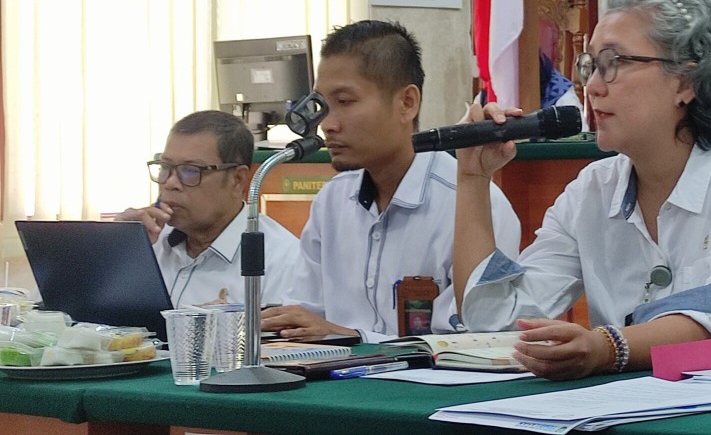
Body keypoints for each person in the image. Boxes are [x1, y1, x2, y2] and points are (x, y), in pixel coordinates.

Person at [452, 0, 711, 380]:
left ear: (685, 82)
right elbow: (496, 321)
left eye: (613, 63)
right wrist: (472, 177)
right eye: (590, 65)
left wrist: (607, 348)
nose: (592, 86)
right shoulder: (591, 190)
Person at [263, 20, 520, 341]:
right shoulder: (332, 200)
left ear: (407, 103)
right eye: (322, 105)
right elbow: (304, 314)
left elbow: (473, 342)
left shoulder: (474, 203)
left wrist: (351, 336)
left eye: (345, 102)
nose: (327, 124)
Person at [117, 110, 299, 308]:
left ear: (237, 180)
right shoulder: (149, 240)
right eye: (165, 167)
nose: (170, 183)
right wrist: (116, 249)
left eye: (190, 170)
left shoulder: (284, 261)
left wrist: (206, 323)